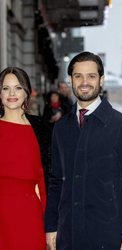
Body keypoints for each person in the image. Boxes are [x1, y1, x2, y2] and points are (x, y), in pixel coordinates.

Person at [45, 51, 122, 250]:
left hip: (110, 234)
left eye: (91, 76)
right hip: (69, 234)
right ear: (71, 80)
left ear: (101, 80)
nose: (85, 82)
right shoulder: (61, 128)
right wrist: (51, 225)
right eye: (78, 76)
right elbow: (56, 181)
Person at [0, 67, 47, 249]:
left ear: (27, 92)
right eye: (5, 88)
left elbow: (46, 180)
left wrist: (50, 225)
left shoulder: (42, 130)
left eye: (18, 87)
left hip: (31, 216)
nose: (12, 93)